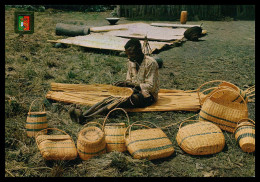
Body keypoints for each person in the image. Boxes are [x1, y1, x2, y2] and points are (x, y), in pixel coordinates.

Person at [69, 38, 160, 123]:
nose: (129, 58)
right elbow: (129, 80)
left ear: (139, 51)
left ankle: (86, 119)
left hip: (148, 96)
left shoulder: (151, 63)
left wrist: (131, 85)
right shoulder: (131, 61)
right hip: (134, 91)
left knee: (120, 101)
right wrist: (124, 84)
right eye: (127, 55)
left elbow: (151, 87)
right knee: (111, 98)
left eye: (131, 54)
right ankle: (84, 114)